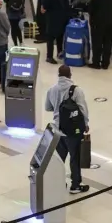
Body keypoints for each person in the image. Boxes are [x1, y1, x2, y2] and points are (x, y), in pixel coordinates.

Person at [45, 65, 90, 194]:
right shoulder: (77, 91)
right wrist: (86, 123)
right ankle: (75, 185)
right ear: (70, 75)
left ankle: (58, 183)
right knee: (75, 157)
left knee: (60, 159)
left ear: (58, 75)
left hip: (58, 130)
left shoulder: (52, 90)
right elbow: (83, 109)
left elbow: (48, 107)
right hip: (73, 130)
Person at [42, 0, 69, 64]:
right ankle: (49, 56)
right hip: (52, 17)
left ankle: (59, 52)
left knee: (60, 36)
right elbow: (45, 5)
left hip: (61, 16)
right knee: (51, 37)